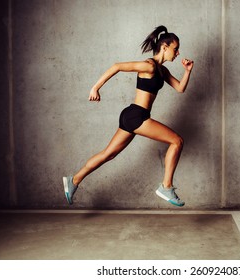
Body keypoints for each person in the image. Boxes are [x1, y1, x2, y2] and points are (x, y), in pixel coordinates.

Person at [63, 25, 194, 207]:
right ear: (164, 47)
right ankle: (166, 186)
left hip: (132, 115)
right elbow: (117, 66)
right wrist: (95, 88)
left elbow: (180, 88)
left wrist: (187, 71)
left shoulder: (162, 71)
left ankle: (74, 180)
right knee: (177, 141)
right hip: (137, 116)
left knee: (108, 154)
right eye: (175, 48)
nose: (178, 53)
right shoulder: (148, 66)